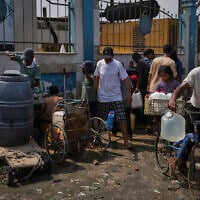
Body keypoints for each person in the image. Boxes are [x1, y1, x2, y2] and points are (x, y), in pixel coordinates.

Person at [94, 47, 132, 148]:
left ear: (113, 56)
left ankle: (126, 141)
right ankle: (96, 138)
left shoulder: (118, 64)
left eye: (109, 57)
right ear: (103, 56)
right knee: (99, 119)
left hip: (116, 96)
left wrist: (128, 94)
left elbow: (126, 79)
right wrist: (96, 91)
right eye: (105, 57)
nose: (107, 59)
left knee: (122, 118)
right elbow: (97, 78)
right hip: (102, 97)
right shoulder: (99, 64)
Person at [169, 67, 200, 173]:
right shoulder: (196, 73)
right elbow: (181, 87)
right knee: (190, 136)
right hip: (195, 109)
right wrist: (173, 98)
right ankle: (181, 161)